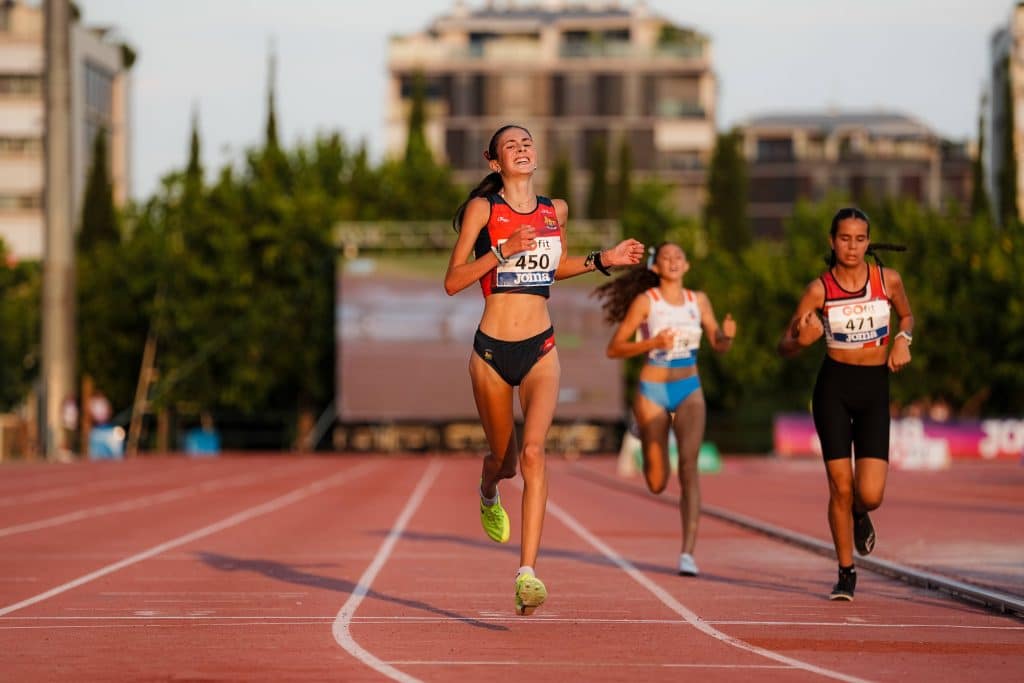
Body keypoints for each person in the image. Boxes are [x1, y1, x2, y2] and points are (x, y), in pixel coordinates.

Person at [443, 124, 645, 615]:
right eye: (510, 145)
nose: (522, 149)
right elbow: (452, 281)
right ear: (495, 162)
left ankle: (527, 574)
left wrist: (604, 258)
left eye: (527, 142)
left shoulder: (557, 210)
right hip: (491, 353)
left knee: (534, 453)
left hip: (540, 348)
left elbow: (554, 268)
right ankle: (488, 489)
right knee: (506, 461)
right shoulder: (484, 210)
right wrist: (501, 251)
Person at [777, 207, 913, 601]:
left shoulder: (888, 280)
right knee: (840, 486)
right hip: (833, 390)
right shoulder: (818, 290)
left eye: (859, 239)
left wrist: (903, 340)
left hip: (874, 390)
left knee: (869, 494)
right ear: (832, 241)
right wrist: (799, 341)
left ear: (868, 242)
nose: (852, 247)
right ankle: (846, 571)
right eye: (844, 238)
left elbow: (907, 317)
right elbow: (784, 344)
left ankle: (859, 512)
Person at [594, 242, 736, 577]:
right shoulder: (647, 302)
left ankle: (688, 553)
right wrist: (653, 343)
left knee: (689, 467)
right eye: (666, 257)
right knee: (658, 482)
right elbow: (614, 348)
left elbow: (718, 343)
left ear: (686, 265)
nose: (673, 261)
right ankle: (648, 442)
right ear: (656, 267)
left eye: (678, 257)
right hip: (652, 391)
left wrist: (726, 337)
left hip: (689, 388)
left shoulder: (698, 301)